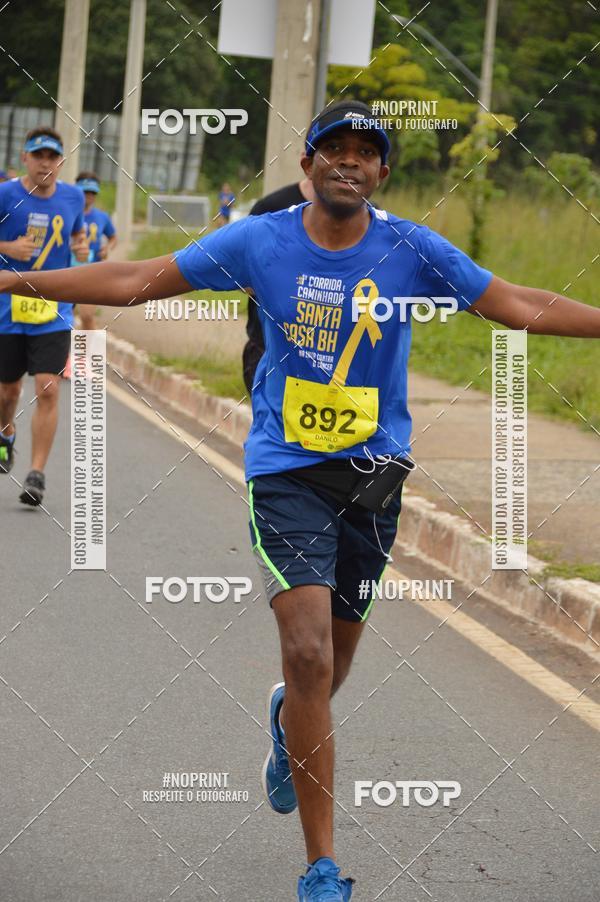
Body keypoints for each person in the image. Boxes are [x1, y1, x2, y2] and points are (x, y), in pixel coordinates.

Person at [4, 99, 600, 899]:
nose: (349, 160)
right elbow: (135, 279)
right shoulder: (261, 240)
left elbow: (515, 303)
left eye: (366, 150)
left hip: (372, 481)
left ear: (382, 170)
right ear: (307, 164)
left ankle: (290, 722)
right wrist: (17, 277)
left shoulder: (410, 248)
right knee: (310, 651)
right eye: (334, 148)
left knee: (332, 667)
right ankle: (322, 867)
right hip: (285, 473)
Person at [0, 126, 88, 505]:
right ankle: (6, 432)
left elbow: (77, 237)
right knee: (7, 391)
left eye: (52, 157)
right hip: (7, 309)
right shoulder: (5, 195)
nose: (45, 164)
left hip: (54, 309)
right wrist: (7, 248)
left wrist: (81, 248)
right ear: (25, 158)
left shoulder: (73, 197)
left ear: (61, 162)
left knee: (48, 387)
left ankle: (36, 474)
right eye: (38, 156)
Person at [243, 177, 316, 392]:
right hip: (269, 353)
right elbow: (240, 277)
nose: (348, 163)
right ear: (308, 163)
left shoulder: (371, 218)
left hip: (336, 361)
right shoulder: (271, 209)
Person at [74, 171, 117, 330]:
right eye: (85, 192)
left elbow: (113, 237)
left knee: (87, 316)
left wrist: (107, 248)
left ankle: (91, 346)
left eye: (93, 192)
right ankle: (68, 346)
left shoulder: (102, 217)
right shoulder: (66, 212)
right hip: (65, 271)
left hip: (92, 272)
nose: (89, 196)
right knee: (64, 318)